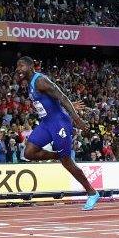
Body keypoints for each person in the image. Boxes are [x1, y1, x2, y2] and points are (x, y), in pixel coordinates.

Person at [16, 56, 102, 210]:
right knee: (28, 153)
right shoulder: (29, 84)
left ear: (30, 67)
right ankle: (59, 155)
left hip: (59, 123)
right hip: (46, 123)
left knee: (67, 163)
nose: (18, 69)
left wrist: (76, 118)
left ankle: (92, 192)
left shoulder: (40, 80)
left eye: (21, 66)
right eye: (17, 66)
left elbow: (62, 96)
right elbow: (50, 102)